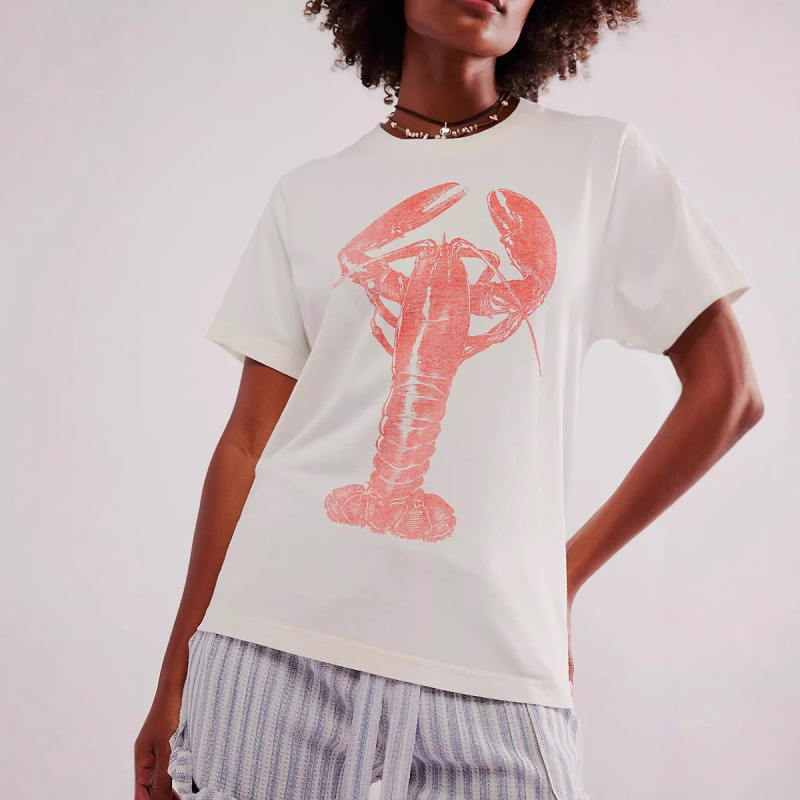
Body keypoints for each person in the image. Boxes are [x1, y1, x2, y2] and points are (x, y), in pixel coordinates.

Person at [134, 1, 764, 798]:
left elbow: (730, 394)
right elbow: (248, 442)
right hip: (272, 648)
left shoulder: (602, 162)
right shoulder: (308, 195)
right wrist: (174, 677)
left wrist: (562, 574)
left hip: (498, 672)